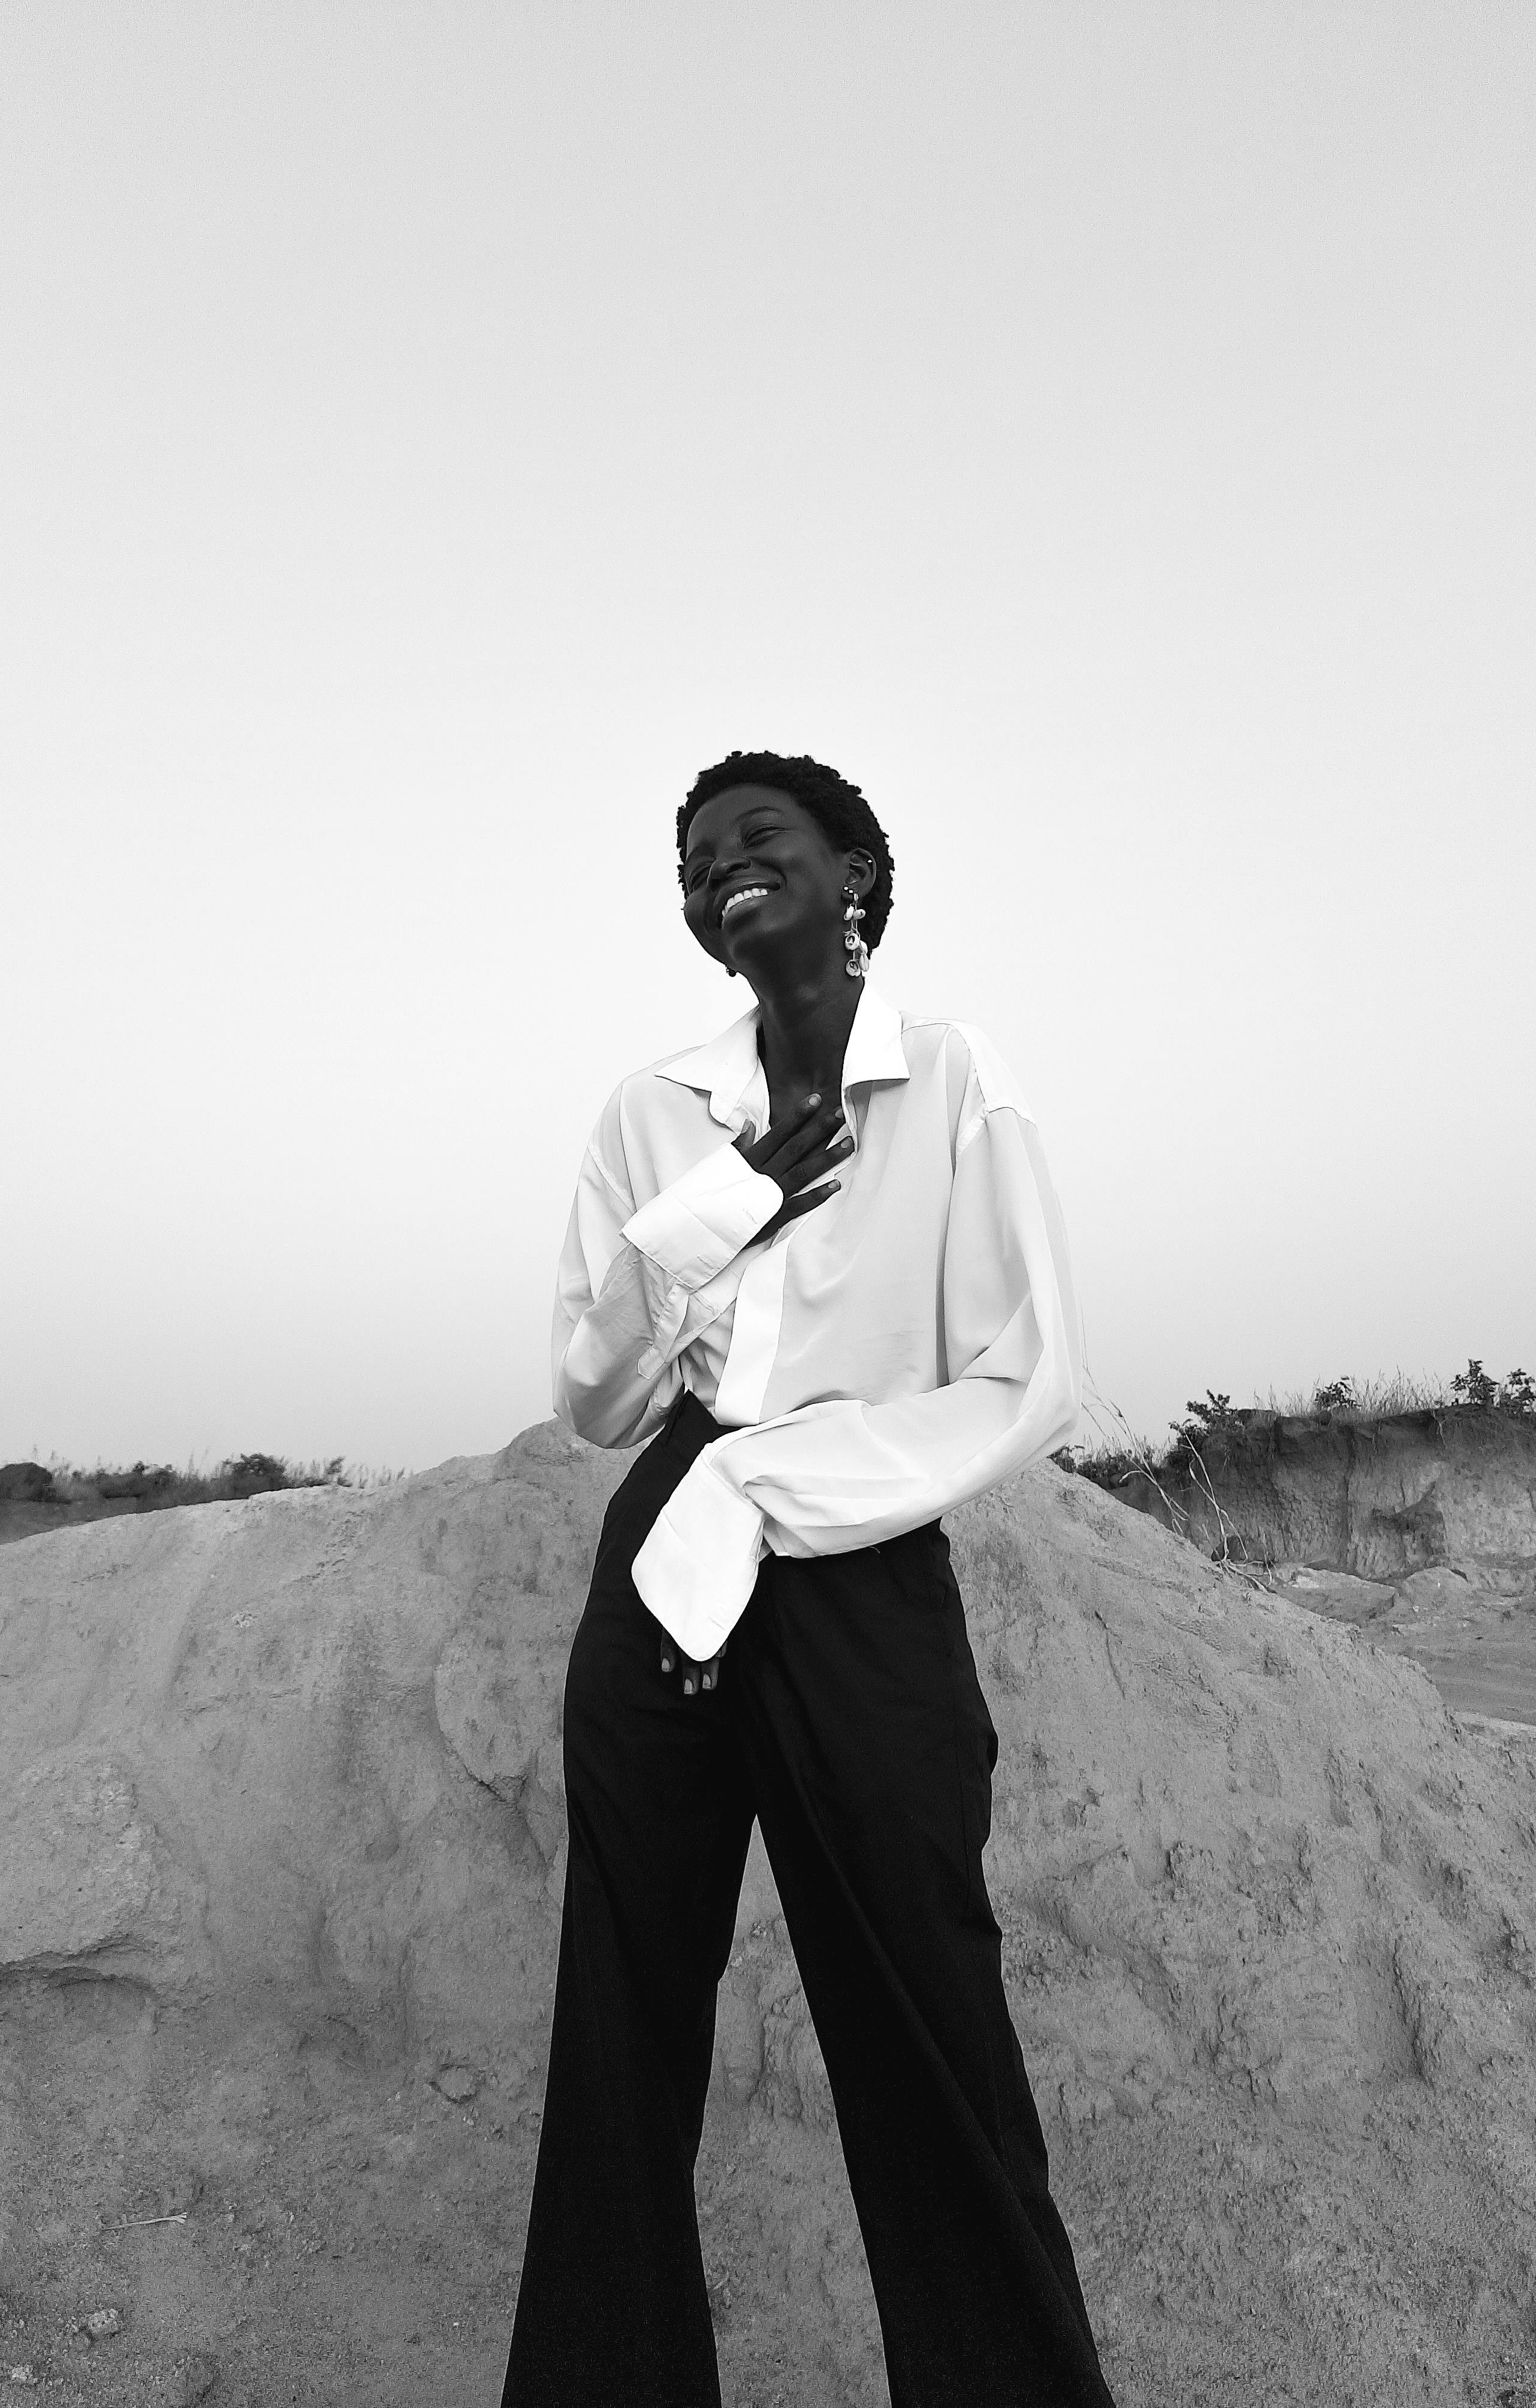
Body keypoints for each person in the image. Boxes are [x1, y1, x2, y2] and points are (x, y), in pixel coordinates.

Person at [500, 752, 1116, 2408]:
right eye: (696, 862)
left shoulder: (951, 1076)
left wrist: (772, 1493)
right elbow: (594, 1397)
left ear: (854, 872)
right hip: (659, 1581)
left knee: (927, 2025)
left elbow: (1021, 1371)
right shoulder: (652, 1113)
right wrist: (733, 1196)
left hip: (850, 1567)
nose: (719, 870)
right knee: (622, 2025)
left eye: (757, 840)